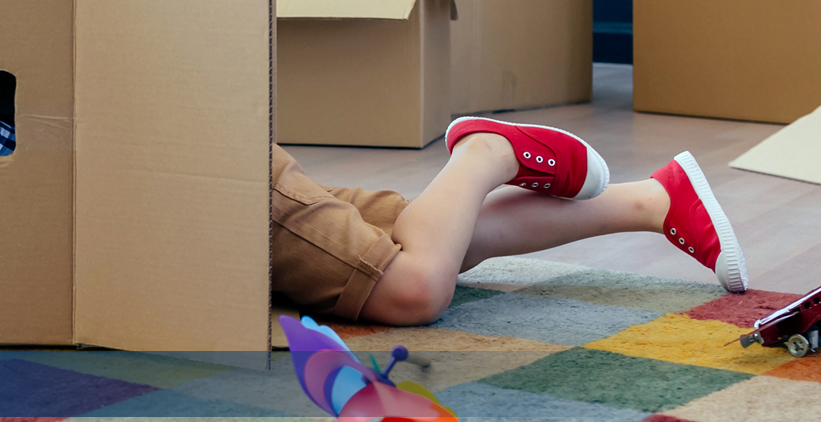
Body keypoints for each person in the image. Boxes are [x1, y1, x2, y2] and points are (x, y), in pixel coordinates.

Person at [271, 117, 748, 326]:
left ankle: (485, 151)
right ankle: (655, 200)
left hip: (225, 185)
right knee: (430, 234)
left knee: (411, 286)